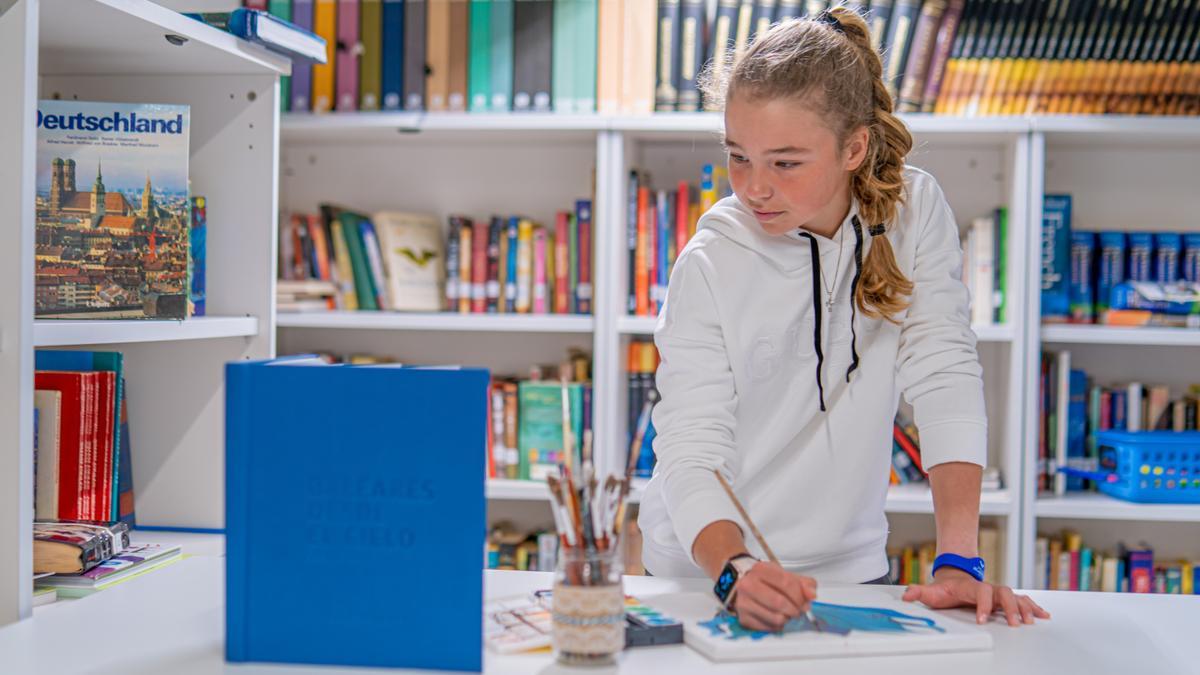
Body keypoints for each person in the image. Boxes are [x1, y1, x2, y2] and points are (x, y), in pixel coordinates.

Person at [636, 7, 1050, 632]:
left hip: (851, 567)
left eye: (785, 162)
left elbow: (944, 373)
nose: (753, 188)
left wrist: (960, 561)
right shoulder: (710, 261)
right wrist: (734, 572)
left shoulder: (914, 213)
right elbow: (691, 450)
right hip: (707, 572)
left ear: (854, 147)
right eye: (739, 156)